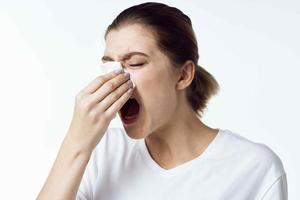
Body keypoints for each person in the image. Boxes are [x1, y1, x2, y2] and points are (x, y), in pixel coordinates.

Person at [37, 2, 287, 200]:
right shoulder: (101, 153)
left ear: (183, 75)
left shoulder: (254, 167)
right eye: (110, 65)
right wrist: (76, 143)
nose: (116, 77)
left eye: (135, 63)